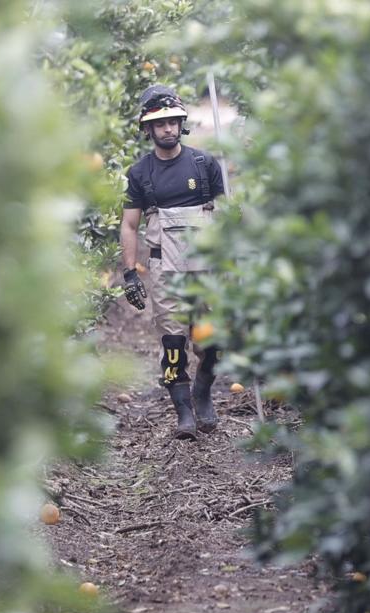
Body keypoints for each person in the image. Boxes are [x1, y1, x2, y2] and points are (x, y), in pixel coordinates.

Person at [119, 84, 226, 440]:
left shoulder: (204, 164)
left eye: (172, 122)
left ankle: (203, 392)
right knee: (173, 345)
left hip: (207, 267)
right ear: (147, 129)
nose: (167, 129)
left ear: (181, 124)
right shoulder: (141, 174)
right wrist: (130, 272)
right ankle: (183, 410)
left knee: (209, 341)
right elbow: (130, 225)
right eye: (159, 123)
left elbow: (225, 214)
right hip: (166, 269)